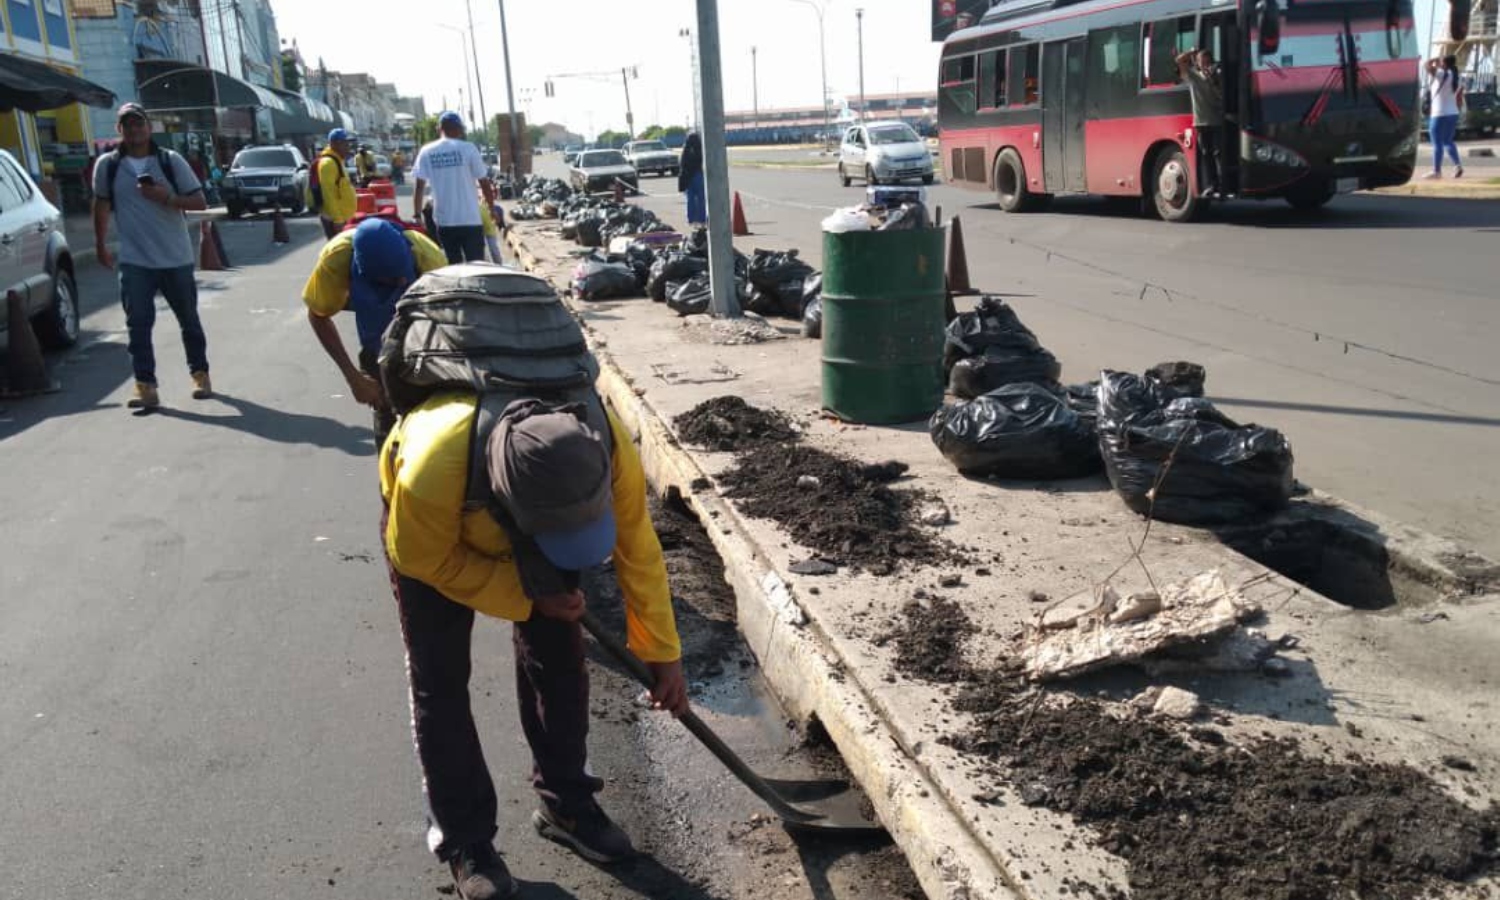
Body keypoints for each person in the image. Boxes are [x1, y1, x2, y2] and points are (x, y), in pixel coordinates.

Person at [381, 394, 689, 900]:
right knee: (440, 683)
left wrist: (662, 650)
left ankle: (566, 801)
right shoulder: (431, 467)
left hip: (542, 515)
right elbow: (421, 559)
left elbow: (637, 543)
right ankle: (466, 840)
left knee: (563, 664)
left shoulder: (604, 443)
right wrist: (527, 594)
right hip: (437, 539)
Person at [91, 102, 211, 410]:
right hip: (135, 260)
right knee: (138, 324)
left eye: (139, 124)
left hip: (176, 258)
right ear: (120, 129)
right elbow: (101, 204)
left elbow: (199, 201)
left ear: (149, 127)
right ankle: (145, 385)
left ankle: (200, 374)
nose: (134, 130)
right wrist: (100, 244)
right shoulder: (108, 165)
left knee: (189, 321)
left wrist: (167, 197)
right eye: (127, 125)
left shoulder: (171, 161)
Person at [302, 218, 447, 443]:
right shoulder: (337, 258)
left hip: (422, 341)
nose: (400, 279)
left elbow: (449, 322)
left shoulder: (429, 257)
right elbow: (318, 315)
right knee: (387, 425)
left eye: (402, 275)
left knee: (429, 429)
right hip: (375, 347)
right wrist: (354, 378)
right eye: (393, 279)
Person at [413, 112, 495, 264]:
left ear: (439, 129)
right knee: (477, 266)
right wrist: (491, 208)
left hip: (444, 221)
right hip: (470, 219)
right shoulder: (468, 149)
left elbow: (419, 187)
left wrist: (417, 215)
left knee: (454, 266)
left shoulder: (427, 151)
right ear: (459, 129)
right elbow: (484, 182)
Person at [1177, 47, 1225, 195]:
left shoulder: (1218, 75)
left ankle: (1223, 185)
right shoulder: (1193, 76)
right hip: (1201, 122)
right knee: (1206, 154)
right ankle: (1211, 185)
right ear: (1197, 63)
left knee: (1218, 154)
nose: (1204, 64)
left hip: (1216, 121)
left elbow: (1222, 96)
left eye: (1207, 61)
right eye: (1201, 62)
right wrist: (1190, 52)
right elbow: (1179, 60)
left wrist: (1213, 80)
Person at [1425, 56, 1465, 179]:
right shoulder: (1457, 78)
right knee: (1448, 141)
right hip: (1453, 113)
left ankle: (1437, 171)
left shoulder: (1442, 73)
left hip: (1439, 113)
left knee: (1437, 143)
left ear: (1445, 63)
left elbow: (1426, 66)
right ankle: (1458, 165)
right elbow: (1459, 98)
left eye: (1442, 62)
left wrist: (1434, 60)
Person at [314, 129, 357, 239]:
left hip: (344, 217)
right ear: (334, 144)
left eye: (348, 143)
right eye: (344, 143)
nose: (348, 146)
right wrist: (338, 220)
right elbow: (328, 195)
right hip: (336, 220)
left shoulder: (337, 161)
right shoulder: (328, 163)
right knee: (340, 253)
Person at [677, 132, 706, 228]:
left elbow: (682, 164)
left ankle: (691, 219)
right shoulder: (699, 148)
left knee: (690, 199)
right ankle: (702, 218)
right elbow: (701, 161)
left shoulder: (685, 149)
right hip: (697, 174)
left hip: (688, 176)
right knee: (701, 198)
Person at [479, 185, 505, 264]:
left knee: (495, 253)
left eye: (493, 192)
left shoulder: (498, 209)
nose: (492, 194)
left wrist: (496, 220)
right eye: (490, 192)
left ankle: (500, 268)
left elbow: (501, 225)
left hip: (490, 234)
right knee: (483, 257)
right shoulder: (478, 207)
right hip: (479, 234)